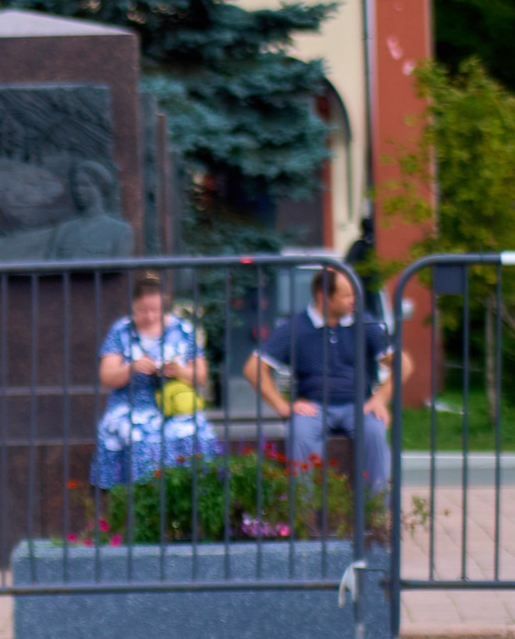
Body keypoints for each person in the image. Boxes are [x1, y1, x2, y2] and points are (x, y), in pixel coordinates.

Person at [243, 269, 406, 489]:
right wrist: (283, 407)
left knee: (375, 431)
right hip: (314, 407)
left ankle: (375, 507)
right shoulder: (296, 327)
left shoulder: (365, 324)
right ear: (323, 296)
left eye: (354, 294)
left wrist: (381, 398)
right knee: (300, 432)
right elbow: (253, 368)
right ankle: (305, 508)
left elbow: (403, 364)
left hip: (359, 404)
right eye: (346, 295)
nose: (354, 300)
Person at [90, 272, 222, 487]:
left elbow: (201, 376)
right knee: (139, 435)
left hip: (174, 405)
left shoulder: (183, 329)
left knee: (196, 430)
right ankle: (143, 494)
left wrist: (178, 371)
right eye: (143, 310)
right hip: (131, 404)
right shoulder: (121, 330)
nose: (150, 317)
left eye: (155, 310)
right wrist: (132, 367)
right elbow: (106, 377)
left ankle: (191, 491)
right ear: (133, 306)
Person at [45, 159, 135, 260]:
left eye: (85, 184)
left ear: (100, 187)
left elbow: (120, 265)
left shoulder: (120, 231)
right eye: (75, 185)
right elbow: (50, 264)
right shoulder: (64, 230)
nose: (78, 190)